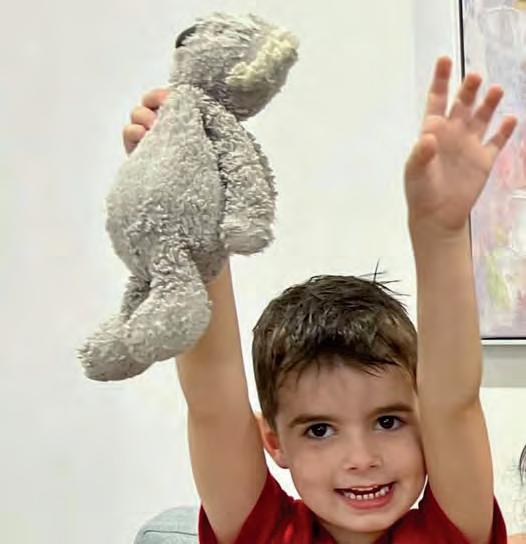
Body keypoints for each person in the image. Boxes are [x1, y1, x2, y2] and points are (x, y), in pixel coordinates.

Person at [122, 57, 518, 543]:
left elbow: (454, 402)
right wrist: (192, 211)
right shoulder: (265, 531)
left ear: (425, 423)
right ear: (274, 442)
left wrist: (441, 232)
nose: (362, 459)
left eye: (388, 421)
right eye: (319, 430)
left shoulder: (449, 532)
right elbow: (213, 403)